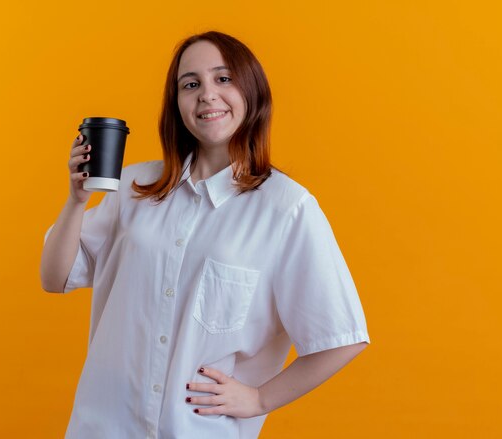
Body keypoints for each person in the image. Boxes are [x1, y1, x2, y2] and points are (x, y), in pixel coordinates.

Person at [41, 31, 370, 439]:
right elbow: (54, 279)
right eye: (191, 84)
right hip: (103, 427)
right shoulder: (132, 186)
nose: (207, 95)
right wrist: (76, 200)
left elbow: (341, 337)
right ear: (176, 103)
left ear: (252, 92)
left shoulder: (287, 209)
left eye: (223, 79)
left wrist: (260, 399)